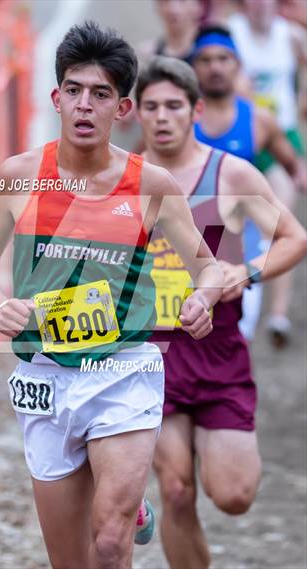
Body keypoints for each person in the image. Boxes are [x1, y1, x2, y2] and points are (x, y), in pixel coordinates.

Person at [0, 21, 223, 569]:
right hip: (44, 374)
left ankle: (123, 508)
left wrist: (203, 298)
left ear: (121, 109)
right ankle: (130, 506)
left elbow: (208, 267)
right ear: (57, 98)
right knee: (71, 560)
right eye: (75, 91)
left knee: (108, 546)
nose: (85, 105)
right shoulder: (18, 177)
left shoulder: (151, 185)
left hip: (123, 368)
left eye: (101, 94)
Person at [136, 56, 307, 569]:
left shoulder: (230, 173)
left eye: (173, 106)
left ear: (196, 110)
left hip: (219, 353)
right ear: (135, 112)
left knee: (234, 495)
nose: (162, 117)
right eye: (150, 106)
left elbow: (293, 237)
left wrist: (246, 271)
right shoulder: (124, 180)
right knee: (177, 489)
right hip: (152, 355)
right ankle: (130, 488)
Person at [190, 24, 306, 341]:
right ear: (193, 66)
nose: (215, 67)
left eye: (223, 58)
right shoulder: (179, 119)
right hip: (185, 242)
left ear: (237, 65)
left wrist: (298, 173)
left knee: (237, 333)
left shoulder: (258, 120)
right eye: (206, 59)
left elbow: (291, 161)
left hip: (242, 242)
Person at [228, 0, 306, 345]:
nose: (261, 5)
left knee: (281, 220)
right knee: (235, 218)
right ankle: (238, 292)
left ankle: (277, 315)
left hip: (282, 134)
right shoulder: (233, 32)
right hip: (244, 133)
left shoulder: (291, 35)